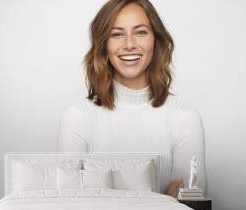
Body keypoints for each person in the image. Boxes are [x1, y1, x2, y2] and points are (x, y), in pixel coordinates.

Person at [57, 0, 207, 195]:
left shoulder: (185, 119)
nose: (129, 44)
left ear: (156, 40)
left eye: (140, 32)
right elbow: (69, 206)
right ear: (104, 45)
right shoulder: (77, 117)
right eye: (117, 34)